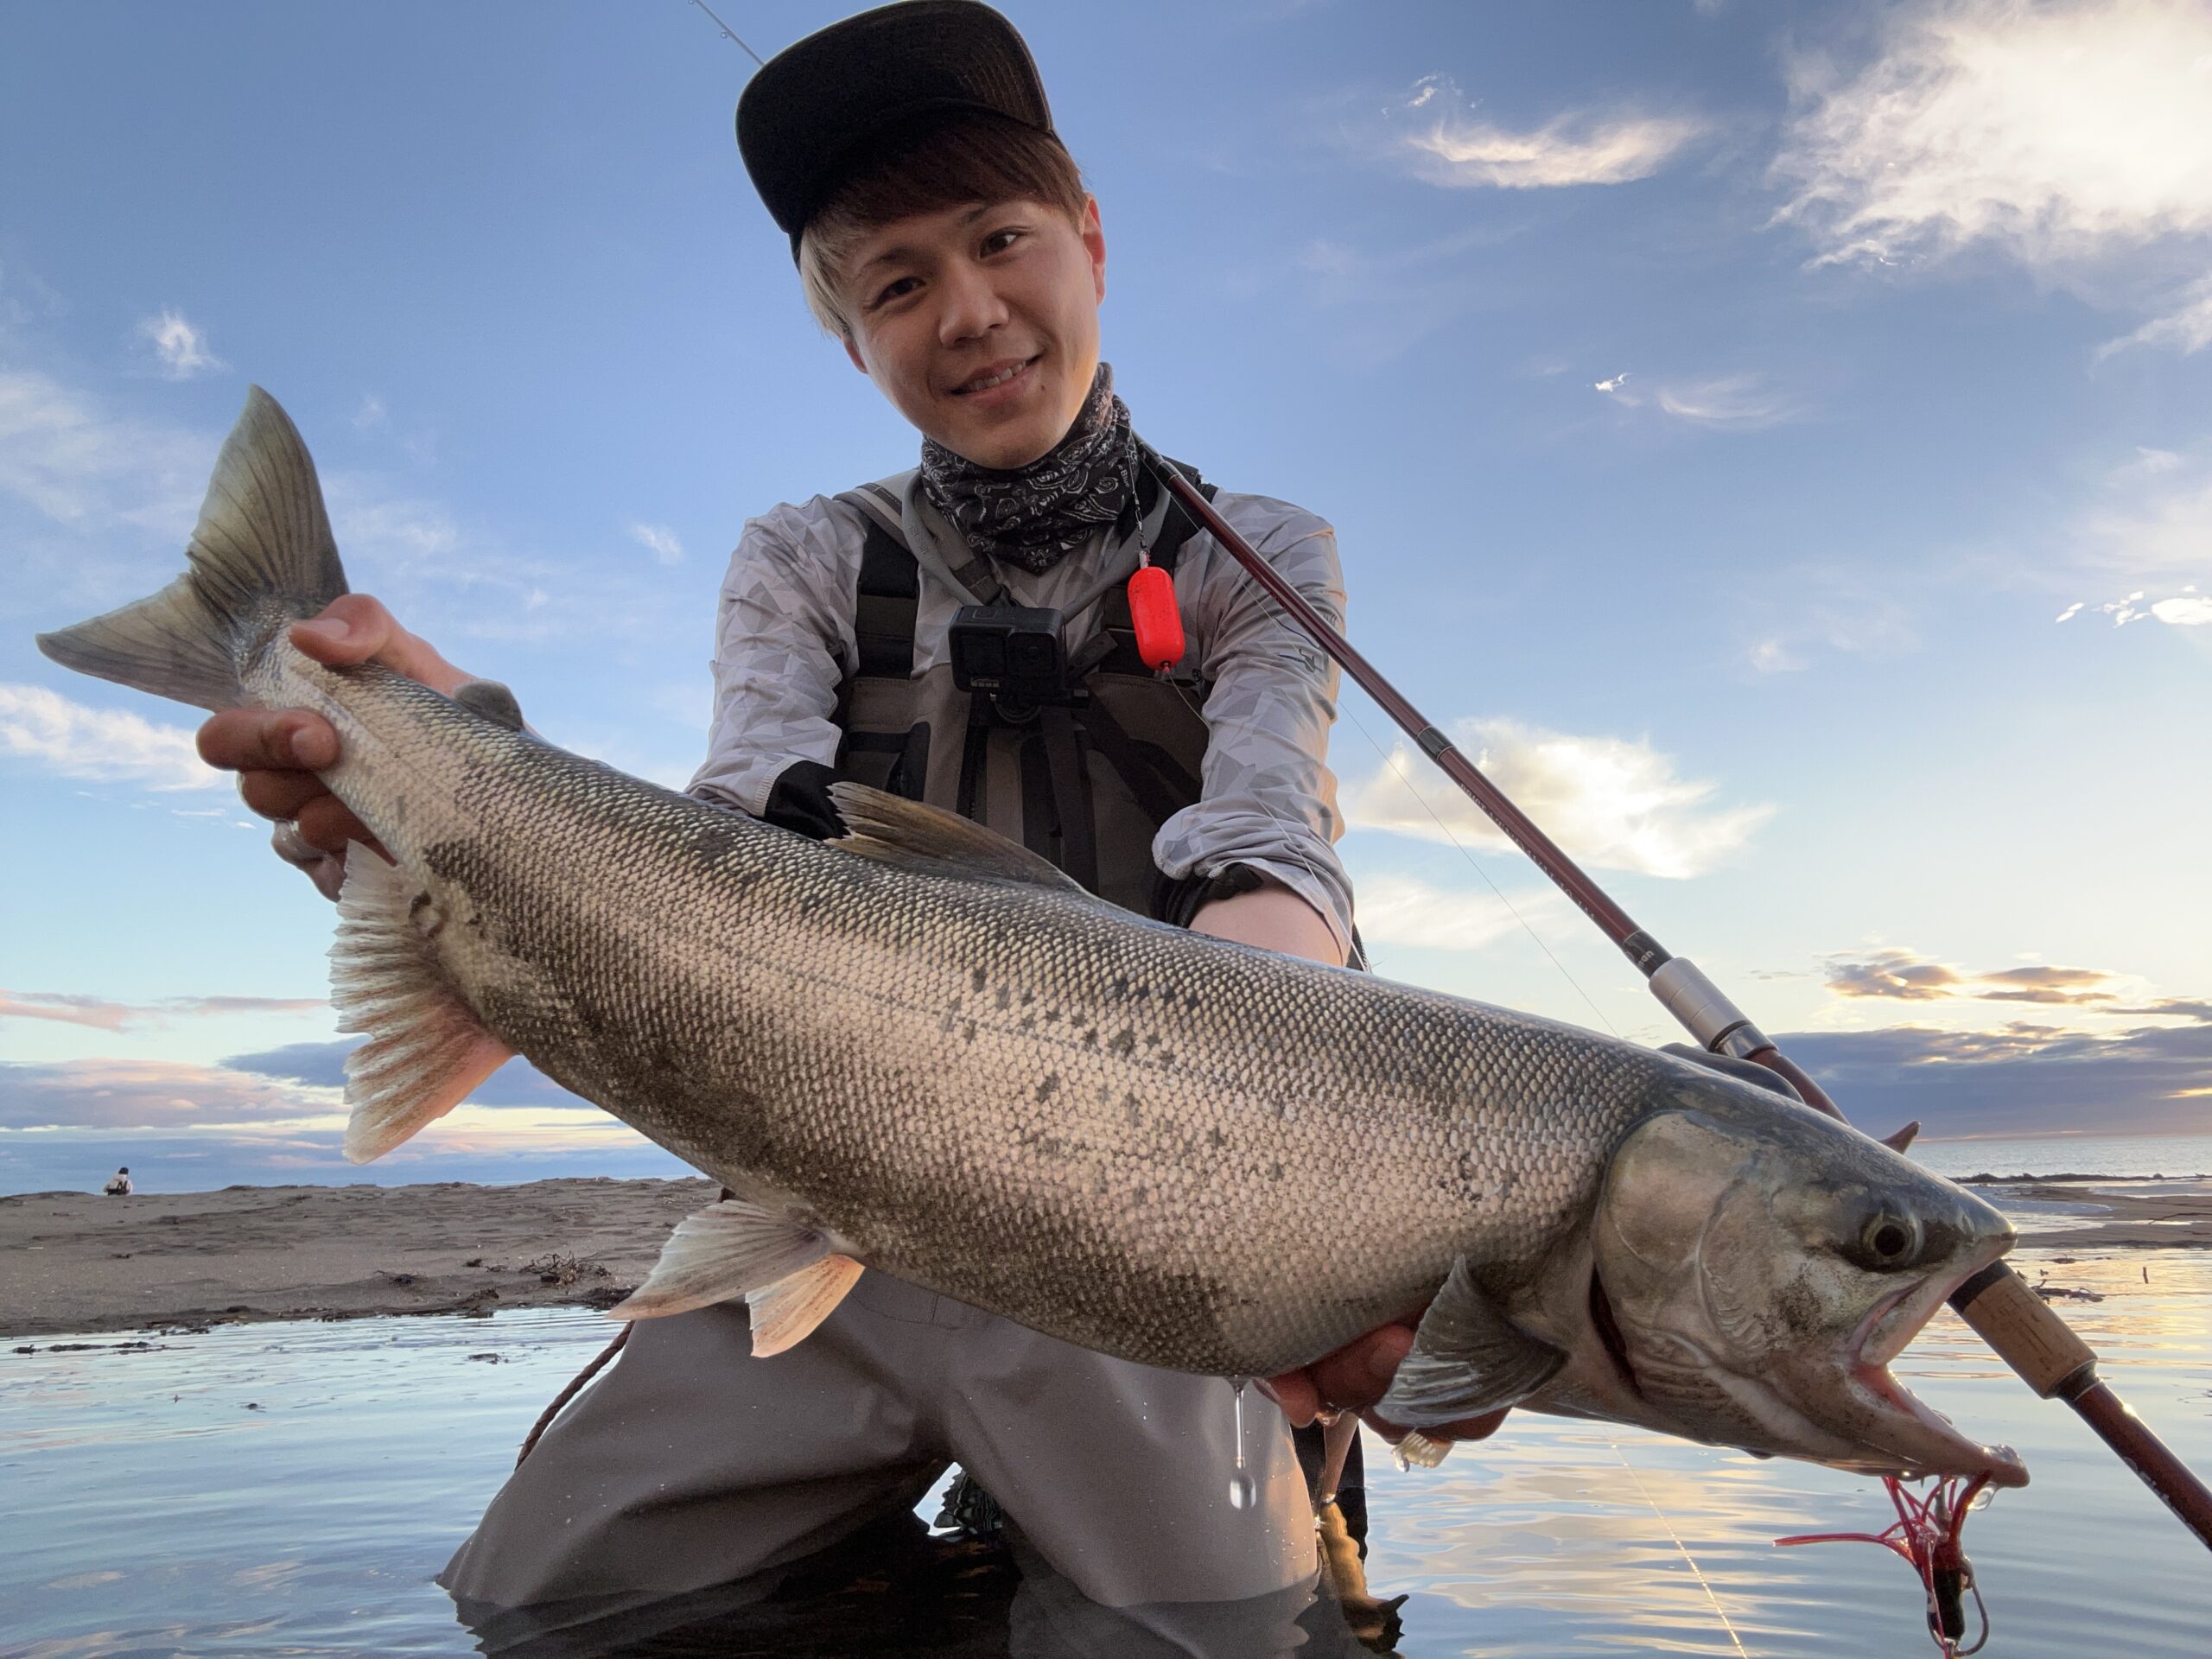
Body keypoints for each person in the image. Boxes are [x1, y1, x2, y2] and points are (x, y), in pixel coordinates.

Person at [196, 3, 1507, 1640]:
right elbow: (726, 849)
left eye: (999, 240)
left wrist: (1298, 1135)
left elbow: (1272, 850)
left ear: (1090, 239)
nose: (967, 313)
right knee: (552, 1604)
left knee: (1223, 1637)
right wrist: (457, 764)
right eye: (894, 281)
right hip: (823, 1217)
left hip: (1143, 1242)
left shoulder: (1263, 551)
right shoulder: (806, 557)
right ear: (845, 333)